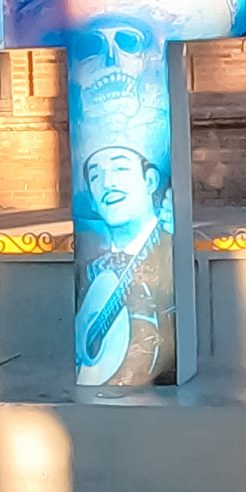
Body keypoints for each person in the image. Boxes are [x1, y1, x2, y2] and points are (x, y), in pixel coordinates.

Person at [75, 144, 174, 386]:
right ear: (92, 200)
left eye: (120, 168)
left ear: (150, 181)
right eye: (95, 176)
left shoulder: (169, 246)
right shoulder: (88, 268)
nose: (107, 183)